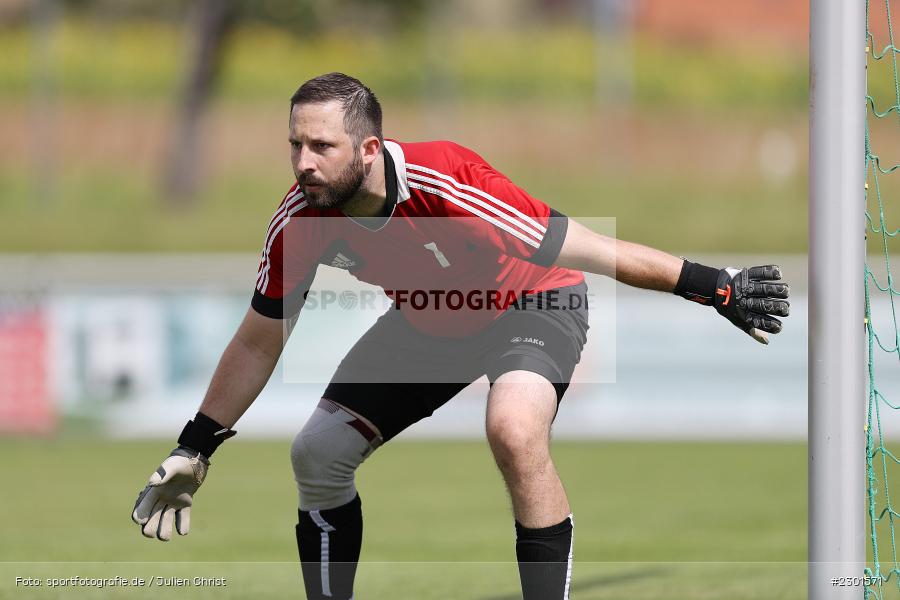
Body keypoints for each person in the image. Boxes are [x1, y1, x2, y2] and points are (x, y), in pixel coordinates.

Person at [131, 72, 790, 599]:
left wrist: (710, 284)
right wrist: (196, 446)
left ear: (366, 150)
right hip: (429, 319)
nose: (304, 163)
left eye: (321, 147)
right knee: (316, 453)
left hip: (532, 301)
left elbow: (587, 245)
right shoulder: (300, 219)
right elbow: (256, 341)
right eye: (295, 145)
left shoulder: (448, 181)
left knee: (513, 428)